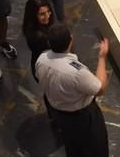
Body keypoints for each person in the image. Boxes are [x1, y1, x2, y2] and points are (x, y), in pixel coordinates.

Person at [36, 24, 110, 157]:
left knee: (73, 146)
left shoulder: (41, 59)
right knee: (97, 148)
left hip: (59, 114)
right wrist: (102, 57)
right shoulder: (77, 72)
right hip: (82, 118)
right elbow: (100, 88)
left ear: (49, 42)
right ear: (71, 39)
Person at [22, 0, 56, 81]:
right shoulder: (37, 37)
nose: (47, 16)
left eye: (48, 11)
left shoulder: (41, 26)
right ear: (33, 15)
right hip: (46, 69)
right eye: (42, 14)